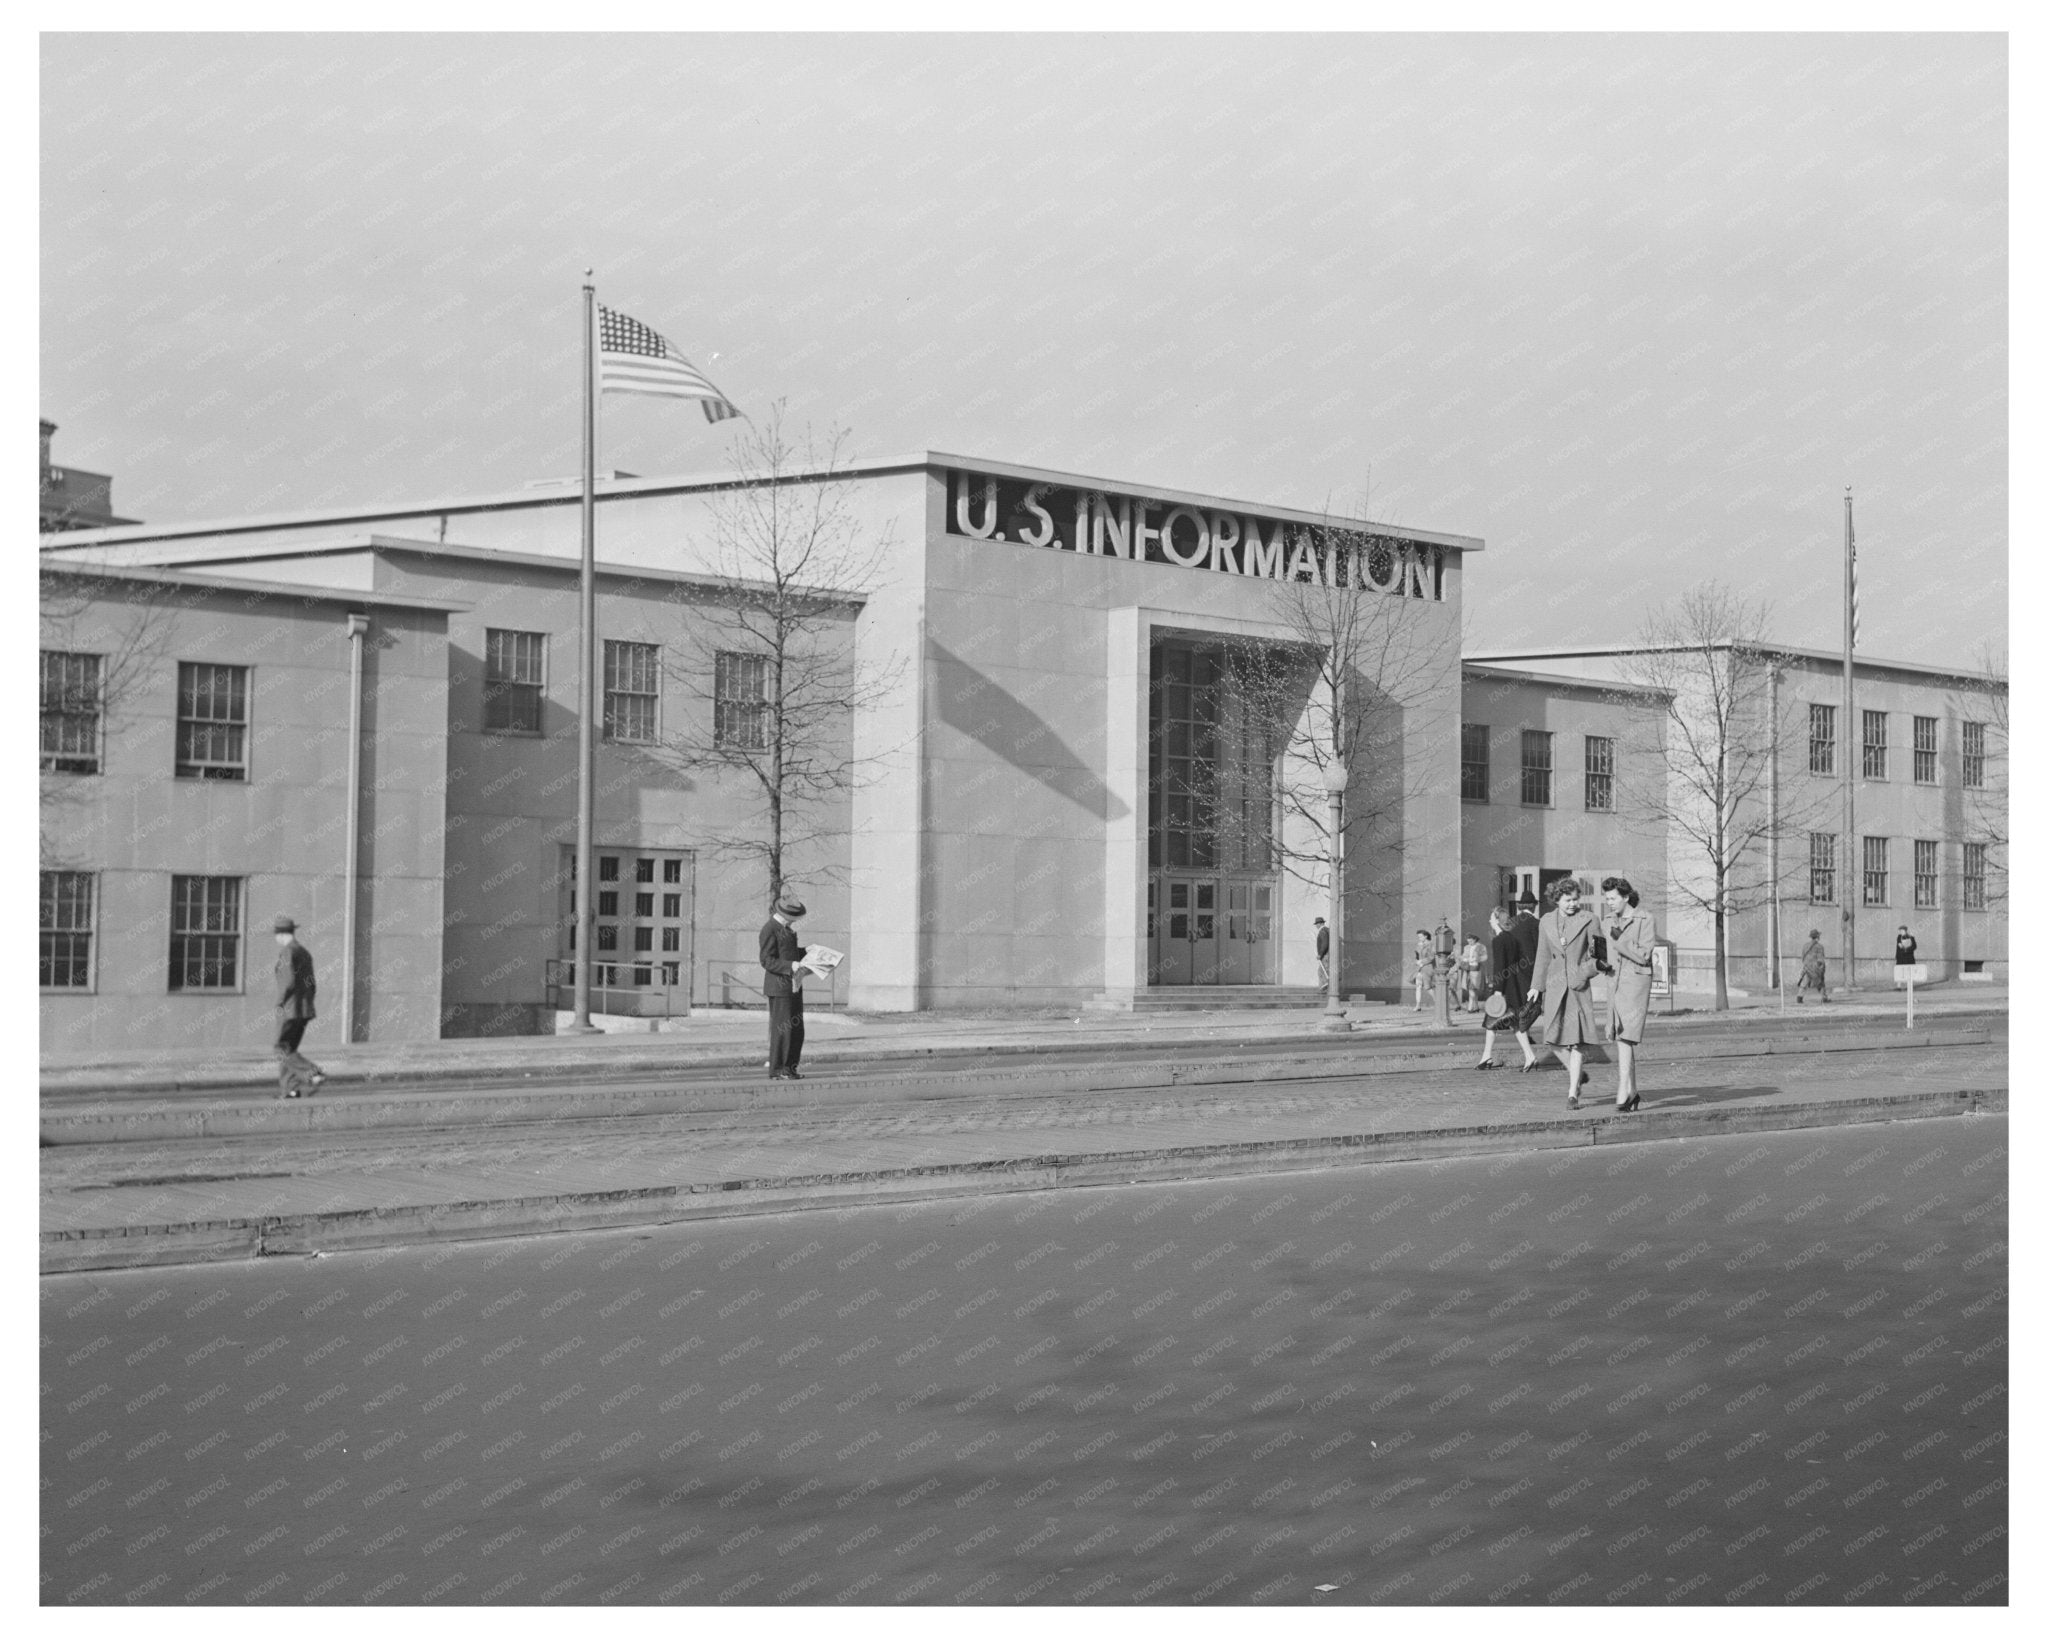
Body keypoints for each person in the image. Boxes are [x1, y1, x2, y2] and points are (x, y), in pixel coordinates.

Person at [1531, 879, 1599, 1107]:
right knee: (1553, 1039)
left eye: (1575, 899)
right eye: (1567, 899)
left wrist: (1583, 973)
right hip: (1554, 986)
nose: (1572, 903)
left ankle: (1572, 1093)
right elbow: (1542, 956)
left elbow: (1600, 956)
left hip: (1578, 987)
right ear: (1556, 899)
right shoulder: (1546, 921)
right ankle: (1576, 1073)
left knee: (1577, 1042)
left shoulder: (1589, 919)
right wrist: (1535, 986)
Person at [1601, 877, 1656, 1113]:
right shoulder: (1607, 921)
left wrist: (1618, 938)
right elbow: (1605, 951)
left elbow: (1644, 954)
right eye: (1606, 899)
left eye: (1612, 898)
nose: (1609, 903)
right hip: (1613, 981)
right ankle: (1632, 1093)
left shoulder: (1645, 918)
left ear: (1625, 897)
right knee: (1620, 1035)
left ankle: (1623, 1090)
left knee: (1626, 1035)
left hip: (1634, 983)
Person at [1474, 906, 1538, 1072]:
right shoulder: (1511, 938)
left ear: (1496, 920)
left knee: (1494, 1022)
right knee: (1512, 1023)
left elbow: (1500, 967)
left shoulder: (1499, 940)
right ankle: (1526, 1056)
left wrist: (1497, 990)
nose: (1489, 921)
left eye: (1491, 918)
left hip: (1503, 989)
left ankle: (1489, 1056)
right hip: (1513, 986)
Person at [272, 915, 324, 1098]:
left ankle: (313, 1073)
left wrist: (279, 1002)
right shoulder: (304, 953)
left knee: (281, 1049)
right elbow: (312, 984)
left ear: (281, 935)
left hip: (290, 1009)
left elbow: (288, 981)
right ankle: (290, 1090)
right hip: (305, 1009)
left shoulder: (288, 952)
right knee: (289, 1050)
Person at [759, 896, 810, 1080]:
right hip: (780, 988)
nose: (796, 920)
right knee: (783, 1031)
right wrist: (791, 967)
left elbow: (789, 953)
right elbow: (767, 960)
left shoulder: (786, 929)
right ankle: (778, 1070)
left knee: (796, 1030)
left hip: (793, 985)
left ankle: (790, 1069)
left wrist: (807, 952)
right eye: (794, 916)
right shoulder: (770, 929)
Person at [1796, 929, 1828, 1003]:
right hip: (1815, 968)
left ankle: (1799, 997)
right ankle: (1824, 997)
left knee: (1804, 983)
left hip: (1807, 967)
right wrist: (1822, 970)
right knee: (1820, 982)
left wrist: (1806, 965)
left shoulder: (1805, 946)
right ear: (1817, 936)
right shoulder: (1819, 947)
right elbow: (1820, 959)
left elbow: (1802, 957)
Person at [1458, 932, 1486, 1011]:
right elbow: (1464, 956)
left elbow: (1485, 957)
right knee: (1472, 988)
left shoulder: (1481, 947)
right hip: (1468, 969)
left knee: (1472, 987)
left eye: (1471, 941)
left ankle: (1470, 1007)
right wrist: (1462, 958)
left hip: (1476, 969)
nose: (1469, 943)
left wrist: (1476, 959)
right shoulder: (1466, 947)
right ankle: (1476, 1007)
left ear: (1475, 939)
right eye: (1468, 941)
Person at [1412, 929, 1433, 1010]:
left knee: (1428, 987)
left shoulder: (1430, 944)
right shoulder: (1419, 944)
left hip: (1428, 967)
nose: (1419, 938)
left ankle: (1439, 1003)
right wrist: (1417, 961)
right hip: (1420, 968)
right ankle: (1418, 1005)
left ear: (1425, 936)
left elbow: (1431, 957)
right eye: (1418, 936)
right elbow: (1416, 955)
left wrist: (1422, 961)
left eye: (1420, 936)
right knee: (1418, 986)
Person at [1313, 916, 1330, 991]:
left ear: (1320, 924)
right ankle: (1324, 986)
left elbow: (1325, 944)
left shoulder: (1322, 931)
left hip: (1325, 955)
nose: (1316, 926)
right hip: (1326, 955)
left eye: (1317, 924)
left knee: (1321, 971)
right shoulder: (1326, 930)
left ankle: (1324, 986)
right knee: (1323, 971)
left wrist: (1320, 954)